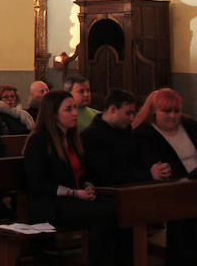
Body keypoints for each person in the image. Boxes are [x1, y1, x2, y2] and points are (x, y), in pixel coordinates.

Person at [23, 90, 128, 266]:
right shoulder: (39, 141)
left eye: (74, 108)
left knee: (120, 207)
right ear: (53, 114)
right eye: (68, 109)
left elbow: (82, 172)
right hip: (49, 204)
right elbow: (37, 183)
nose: (74, 113)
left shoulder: (72, 139)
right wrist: (74, 193)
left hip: (72, 200)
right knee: (104, 213)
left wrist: (87, 185)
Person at [132, 88, 197, 265]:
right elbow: (151, 166)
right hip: (170, 189)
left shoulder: (190, 126)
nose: (173, 116)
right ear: (154, 112)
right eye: (166, 112)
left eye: (176, 111)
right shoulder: (144, 135)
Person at [81, 88, 170, 186]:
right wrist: (148, 174)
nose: (132, 119)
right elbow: (105, 176)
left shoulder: (126, 129)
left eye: (133, 113)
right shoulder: (91, 136)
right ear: (113, 109)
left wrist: (157, 169)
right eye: (128, 113)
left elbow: (137, 160)